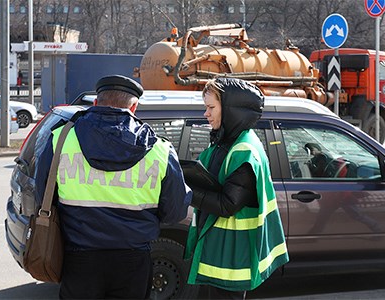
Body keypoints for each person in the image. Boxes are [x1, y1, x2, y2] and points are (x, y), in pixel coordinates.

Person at [35, 75, 192, 299]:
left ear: (96, 103)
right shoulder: (160, 150)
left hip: (79, 259)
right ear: (134, 107)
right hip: (134, 263)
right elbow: (175, 212)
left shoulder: (60, 139)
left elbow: (43, 196)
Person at [184, 77, 289, 299]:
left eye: (211, 107)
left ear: (231, 111)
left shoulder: (244, 149)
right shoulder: (226, 142)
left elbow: (227, 204)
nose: (206, 114)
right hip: (221, 254)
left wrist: (187, 191)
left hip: (231, 258)